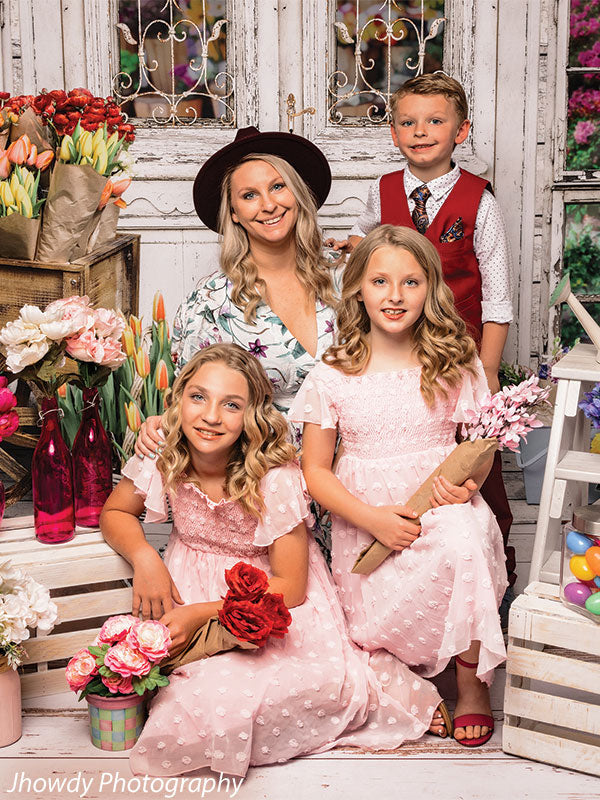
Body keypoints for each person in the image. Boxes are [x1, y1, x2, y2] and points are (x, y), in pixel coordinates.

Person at [101, 343, 450, 778]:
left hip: (267, 598)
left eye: (231, 405)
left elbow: (293, 586)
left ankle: (383, 685)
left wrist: (202, 614)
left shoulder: (275, 476)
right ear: (176, 400)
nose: (211, 416)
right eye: (198, 397)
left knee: (248, 699)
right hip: (187, 582)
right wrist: (145, 558)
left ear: (252, 417)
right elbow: (115, 513)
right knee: (172, 702)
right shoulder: (162, 451)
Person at [290, 226, 508, 748]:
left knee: (463, 540)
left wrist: (466, 485)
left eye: (410, 282)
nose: (394, 295)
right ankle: (406, 670)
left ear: (430, 289)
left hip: (439, 498)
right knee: (366, 633)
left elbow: (479, 448)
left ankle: (471, 679)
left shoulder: (454, 360)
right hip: (366, 516)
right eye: (380, 281)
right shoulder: (334, 370)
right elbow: (315, 471)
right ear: (358, 289)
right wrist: (372, 519)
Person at [328, 71, 517, 603]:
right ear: (393, 133)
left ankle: (491, 577)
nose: (420, 130)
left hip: (457, 353)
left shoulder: (479, 200)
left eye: (435, 120)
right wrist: (355, 245)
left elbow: (498, 295)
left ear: (461, 130)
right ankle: (400, 577)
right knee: (403, 450)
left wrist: (490, 369)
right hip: (396, 351)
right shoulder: (382, 189)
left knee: (475, 465)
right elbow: (372, 237)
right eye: (407, 122)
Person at [134, 126, 341, 551]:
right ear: (232, 212)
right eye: (249, 196)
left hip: (356, 475)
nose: (268, 205)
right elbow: (186, 398)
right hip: (266, 488)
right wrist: (156, 426)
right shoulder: (212, 302)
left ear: (297, 194)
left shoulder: (347, 277)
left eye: (278, 187)